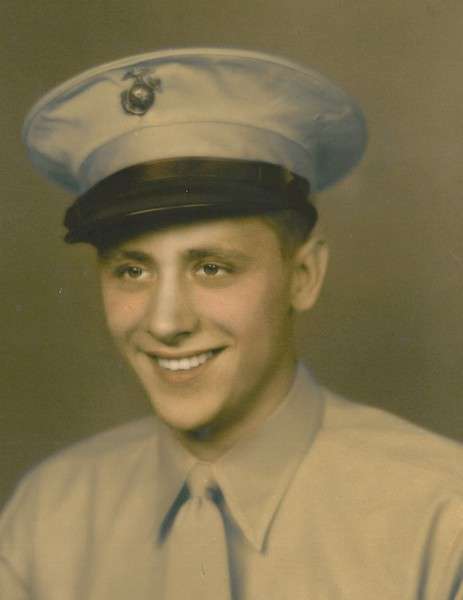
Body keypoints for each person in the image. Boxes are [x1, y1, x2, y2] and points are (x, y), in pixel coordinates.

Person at [1, 47, 462, 599]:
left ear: (304, 276)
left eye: (211, 267)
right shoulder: (46, 516)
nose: (165, 322)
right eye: (132, 270)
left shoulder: (442, 519)